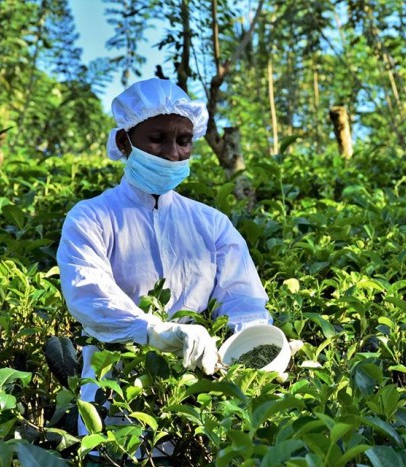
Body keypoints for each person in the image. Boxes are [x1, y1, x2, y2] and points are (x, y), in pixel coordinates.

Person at [56, 78, 273, 459]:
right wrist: (155, 332)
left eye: (184, 141)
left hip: (193, 413)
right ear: (125, 142)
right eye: (157, 138)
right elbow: (89, 296)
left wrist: (257, 346)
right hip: (112, 414)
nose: (173, 153)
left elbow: (244, 303)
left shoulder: (212, 224)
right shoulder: (91, 217)